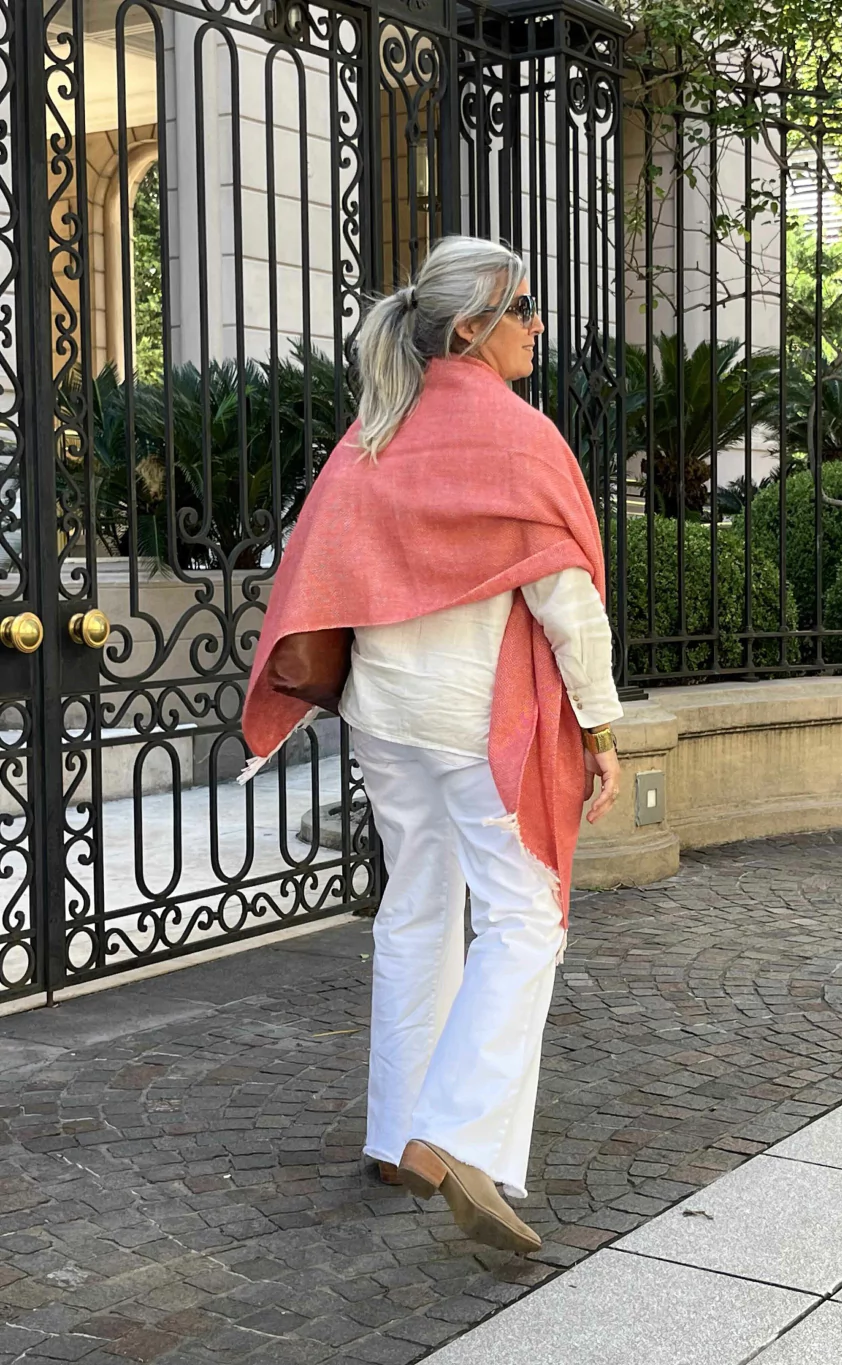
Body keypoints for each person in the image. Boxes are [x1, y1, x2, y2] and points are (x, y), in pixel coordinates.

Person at [242, 235, 622, 1256]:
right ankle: (450, 1132)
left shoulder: (376, 429)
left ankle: (394, 1135)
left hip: (384, 712)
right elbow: (567, 602)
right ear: (471, 327)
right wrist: (599, 725)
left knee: (415, 904)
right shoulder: (518, 436)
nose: (538, 324)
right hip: (475, 717)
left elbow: (318, 568)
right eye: (523, 307)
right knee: (525, 917)